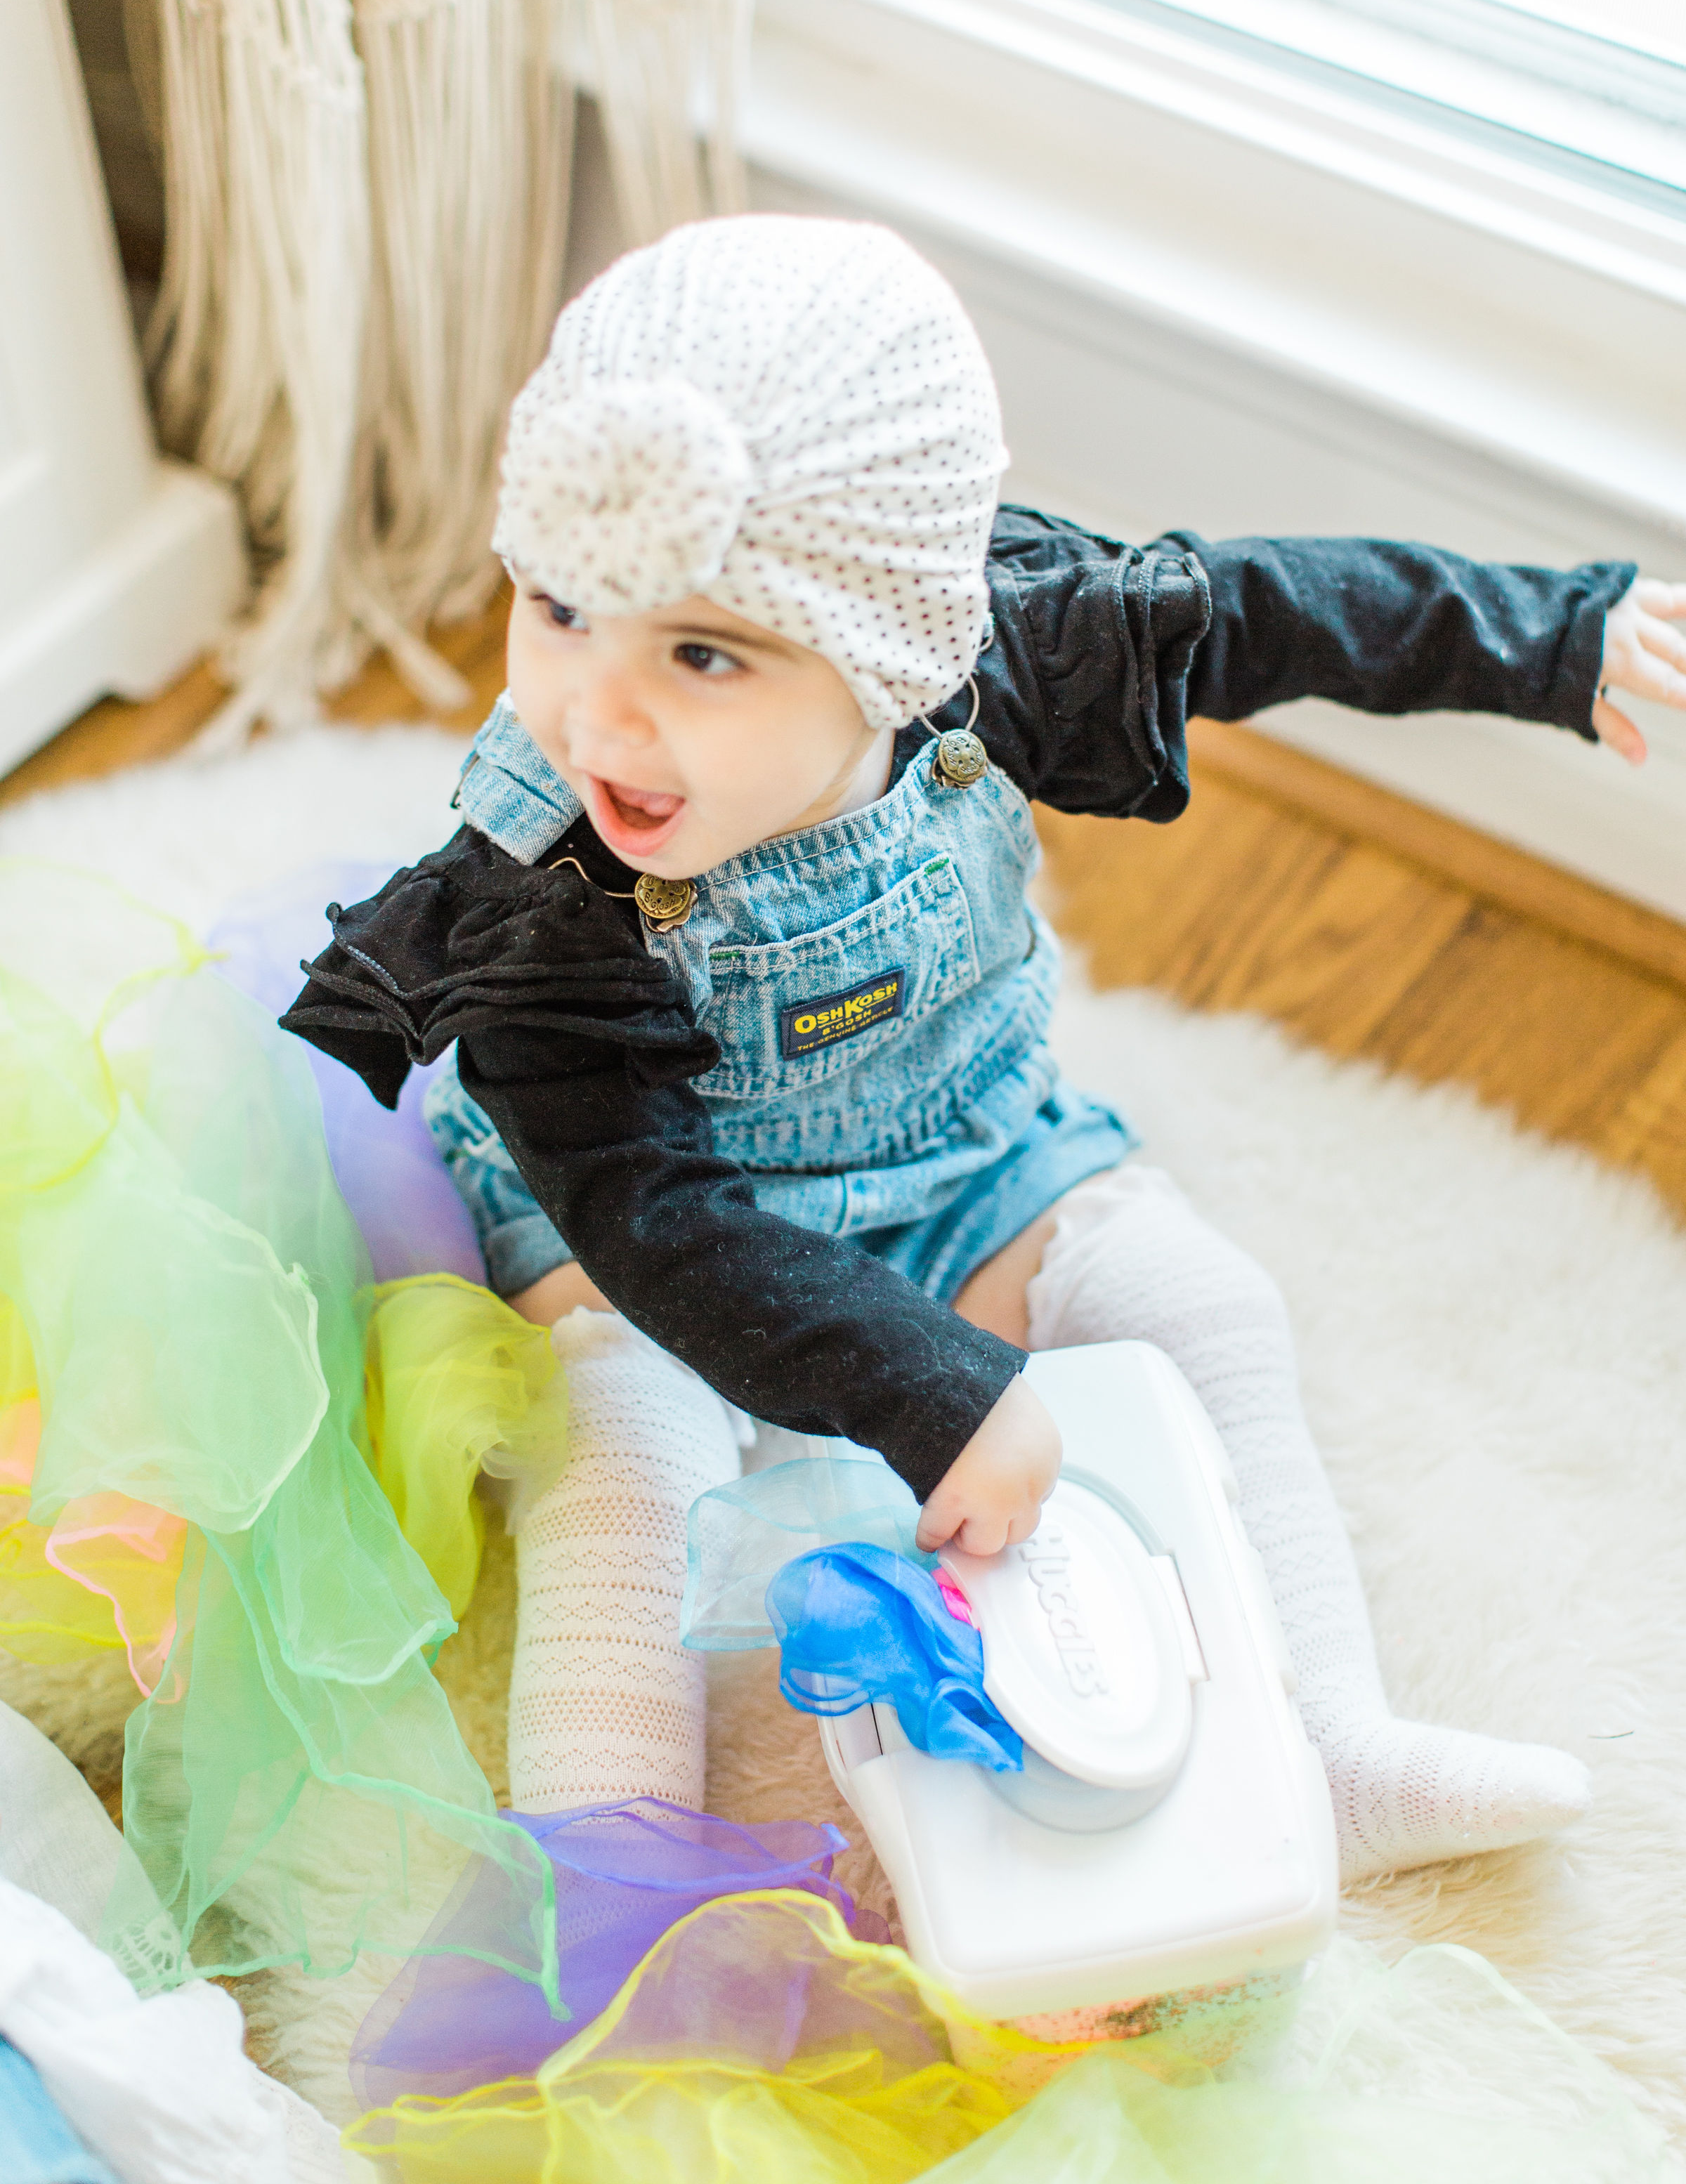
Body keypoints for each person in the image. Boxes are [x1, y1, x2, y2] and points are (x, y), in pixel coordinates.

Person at [285, 214, 1686, 1878]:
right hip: (648, 1232)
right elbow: (657, 1217)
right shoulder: (544, 893)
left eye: (705, 654)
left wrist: (1550, 638)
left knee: (1208, 1309)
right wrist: (938, 1393)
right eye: (562, 608)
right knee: (628, 1465)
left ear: (899, 644)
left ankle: (1331, 1749)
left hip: (975, 1143)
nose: (599, 712)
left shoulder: (1000, 648)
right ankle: (608, 1886)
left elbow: (1274, 609)